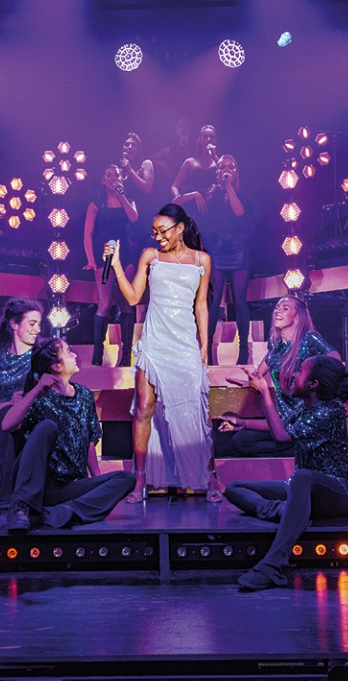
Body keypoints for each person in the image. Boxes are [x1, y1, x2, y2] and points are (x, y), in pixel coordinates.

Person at [104, 203, 220, 503]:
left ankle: (210, 476)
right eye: (154, 232)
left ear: (180, 228)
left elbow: (201, 306)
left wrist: (204, 344)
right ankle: (140, 479)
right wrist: (116, 265)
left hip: (184, 344)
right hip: (155, 341)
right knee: (144, 407)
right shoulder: (150, 256)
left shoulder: (202, 260)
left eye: (163, 231)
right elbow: (133, 297)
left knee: (197, 412)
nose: (158, 237)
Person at [225, 355, 348, 590]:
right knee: (235, 488)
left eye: (300, 372)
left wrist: (264, 392)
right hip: (303, 488)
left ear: (312, 384)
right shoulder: (306, 407)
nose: (294, 375)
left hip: (340, 493)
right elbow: (281, 426)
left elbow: (281, 437)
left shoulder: (329, 412)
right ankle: (286, 510)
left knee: (302, 476)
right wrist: (244, 424)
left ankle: (272, 566)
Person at [0, 338, 135, 532]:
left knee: (127, 479)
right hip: (43, 486)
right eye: (68, 351)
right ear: (56, 366)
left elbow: (89, 442)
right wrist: (37, 389)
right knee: (47, 427)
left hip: (71, 486)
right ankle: (22, 506)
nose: (75, 355)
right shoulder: (40, 399)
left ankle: (62, 513)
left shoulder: (84, 395)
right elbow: (7, 424)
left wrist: (96, 482)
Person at [215, 296, 339, 457]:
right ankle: (300, 448)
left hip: (302, 419)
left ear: (297, 317)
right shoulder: (276, 345)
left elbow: (336, 361)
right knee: (238, 440)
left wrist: (312, 381)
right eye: (277, 308)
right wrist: (249, 382)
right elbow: (263, 367)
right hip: (283, 421)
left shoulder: (309, 339)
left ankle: (305, 447)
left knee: (241, 442)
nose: (278, 311)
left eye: (285, 308)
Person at [0, 297, 43, 511]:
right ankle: (7, 496)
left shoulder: (40, 359)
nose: (37, 330)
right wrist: (10, 405)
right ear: (14, 324)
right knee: (6, 416)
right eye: (32, 324)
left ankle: (14, 498)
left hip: (26, 435)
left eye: (39, 324)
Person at [83, 164, 139, 367]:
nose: (113, 178)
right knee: (105, 304)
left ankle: (126, 355)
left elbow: (134, 217)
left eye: (117, 175)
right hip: (104, 255)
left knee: (126, 303)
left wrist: (121, 195)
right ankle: (97, 354)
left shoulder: (129, 200)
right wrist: (91, 259)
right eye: (109, 175)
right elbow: (88, 234)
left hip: (126, 255)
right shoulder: (96, 204)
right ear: (103, 180)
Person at [198, 154, 250, 365]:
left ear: (236, 171)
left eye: (231, 166)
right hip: (217, 249)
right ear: (217, 171)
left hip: (238, 248)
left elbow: (239, 213)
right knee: (214, 299)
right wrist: (195, 194)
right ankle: (208, 349)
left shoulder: (241, 193)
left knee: (239, 299)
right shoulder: (210, 195)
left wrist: (229, 187)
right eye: (222, 167)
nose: (226, 170)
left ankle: (244, 350)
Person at [171, 124, 219, 211]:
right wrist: (180, 200)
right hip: (193, 205)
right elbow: (174, 186)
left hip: (213, 207)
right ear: (200, 140)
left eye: (212, 137)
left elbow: (227, 182)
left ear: (216, 140)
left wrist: (214, 156)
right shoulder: (190, 162)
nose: (209, 139)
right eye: (205, 137)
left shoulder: (219, 163)